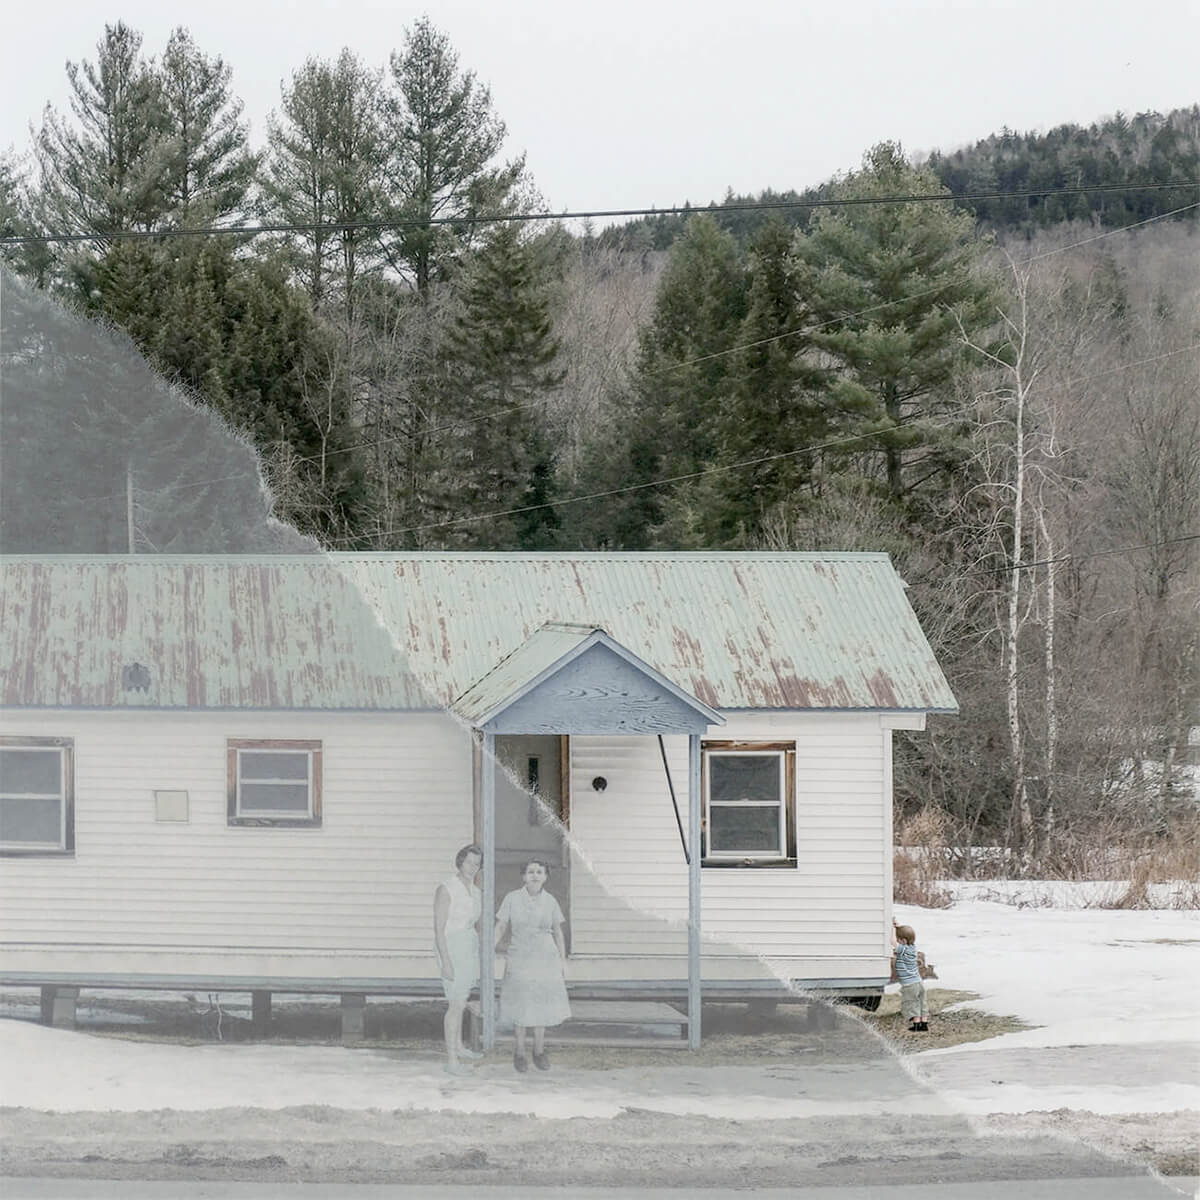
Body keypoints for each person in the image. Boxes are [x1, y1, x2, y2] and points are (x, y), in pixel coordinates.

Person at [494, 858, 570, 1072]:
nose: (535, 875)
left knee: (541, 1006)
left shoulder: (551, 901)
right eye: (530, 872)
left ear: (545, 877)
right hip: (520, 956)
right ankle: (519, 1052)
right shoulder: (512, 898)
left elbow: (558, 932)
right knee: (522, 1004)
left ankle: (538, 1051)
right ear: (523, 876)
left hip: (545, 957)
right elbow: (501, 927)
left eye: (539, 872)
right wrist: (488, 949)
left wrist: (562, 961)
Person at [434, 844, 484, 1075]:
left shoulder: (476, 891)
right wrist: (445, 960)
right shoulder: (447, 888)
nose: (473, 867)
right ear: (460, 861)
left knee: (462, 997)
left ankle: (460, 1046)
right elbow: (439, 929)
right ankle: (452, 1060)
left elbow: (473, 922)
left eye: (477, 864)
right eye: (469, 862)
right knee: (455, 1004)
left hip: (467, 946)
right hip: (450, 946)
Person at [892, 922, 930, 1032]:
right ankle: (924, 1024)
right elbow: (902, 937)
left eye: (899, 940)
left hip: (910, 984)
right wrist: (897, 926)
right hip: (918, 982)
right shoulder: (913, 948)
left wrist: (892, 929)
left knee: (912, 1003)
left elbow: (892, 942)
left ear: (903, 941)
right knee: (922, 1002)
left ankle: (917, 1025)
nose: (897, 942)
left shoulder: (903, 949)